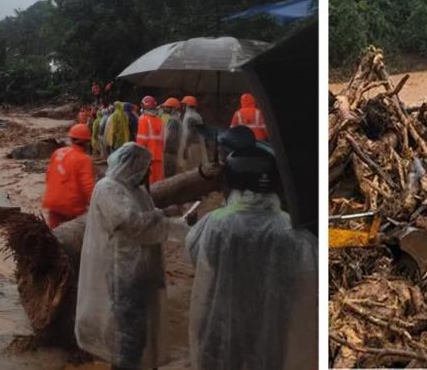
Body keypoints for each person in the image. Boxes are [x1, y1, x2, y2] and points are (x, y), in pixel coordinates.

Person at [185, 143, 317, 370]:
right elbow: (307, 274)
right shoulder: (292, 229)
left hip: (222, 321)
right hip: (272, 325)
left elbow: (197, 257)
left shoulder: (215, 223)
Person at [75, 143, 176, 370]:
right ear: (131, 165)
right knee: (127, 331)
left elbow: (149, 225)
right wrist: (163, 215)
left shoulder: (136, 190)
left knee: (142, 328)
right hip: (122, 270)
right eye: (145, 167)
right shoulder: (108, 188)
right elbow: (131, 222)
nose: (148, 173)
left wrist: (166, 220)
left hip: (142, 270)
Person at [42, 123, 96, 229]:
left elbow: (48, 176)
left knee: (54, 235)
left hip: (52, 202)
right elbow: (88, 187)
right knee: (74, 238)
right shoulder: (83, 159)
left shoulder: (58, 152)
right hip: (71, 207)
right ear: (86, 142)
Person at [136, 95, 167, 184]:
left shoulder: (143, 119)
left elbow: (141, 141)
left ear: (144, 107)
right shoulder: (160, 121)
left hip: (148, 157)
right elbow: (164, 139)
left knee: (149, 182)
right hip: (159, 156)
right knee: (159, 182)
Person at [179, 95, 208, 172]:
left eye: (184, 105)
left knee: (189, 169)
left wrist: (185, 148)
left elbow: (190, 133)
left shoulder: (189, 117)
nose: (182, 107)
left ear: (187, 105)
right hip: (197, 144)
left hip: (191, 146)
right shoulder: (197, 116)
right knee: (197, 168)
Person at [162, 98, 182, 178]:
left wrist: (163, 148)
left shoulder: (173, 120)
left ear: (173, 109)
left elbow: (170, 137)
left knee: (168, 174)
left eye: (167, 107)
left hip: (169, 151)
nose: (165, 109)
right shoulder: (175, 118)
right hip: (172, 151)